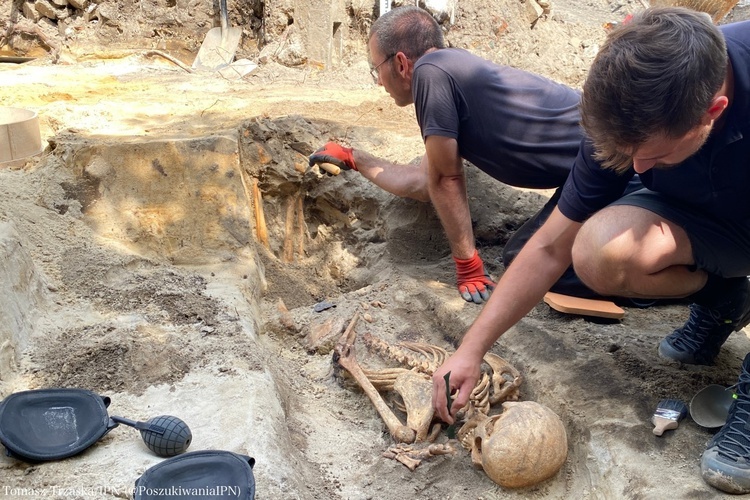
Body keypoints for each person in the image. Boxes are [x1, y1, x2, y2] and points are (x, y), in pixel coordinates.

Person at [430, 7, 750, 494]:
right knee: (599, 249)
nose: (639, 170)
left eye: (657, 156)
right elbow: (551, 246)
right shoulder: (637, 98)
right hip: (710, 221)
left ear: (715, 111)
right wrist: (471, 349)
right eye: (629, 155)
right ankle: (725, 295)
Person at [308, 5, 618, 304]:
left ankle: (649, 284)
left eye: (376, 68)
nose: (378, 81)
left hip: (613, 164)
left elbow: (446, 179)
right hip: (592, 168)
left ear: (401, 63)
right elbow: (423, 183)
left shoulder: (431, 74)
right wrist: (354, 157)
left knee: (533, 263)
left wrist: (467, 264)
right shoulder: (448, 71)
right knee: (524, 256)